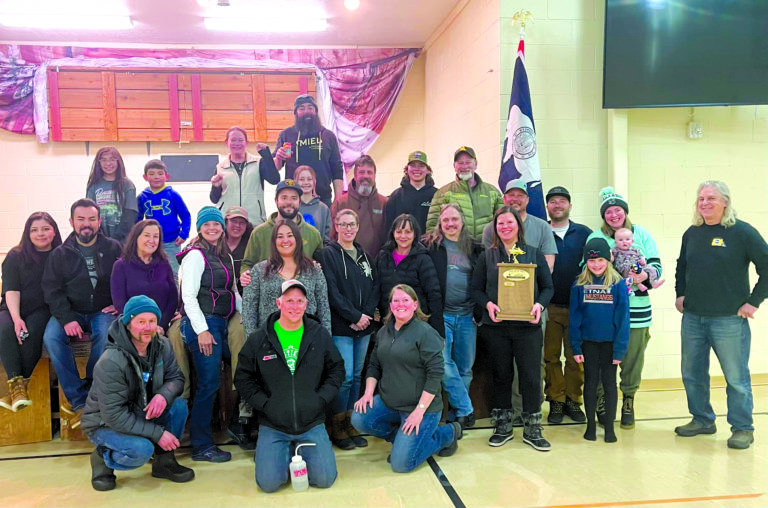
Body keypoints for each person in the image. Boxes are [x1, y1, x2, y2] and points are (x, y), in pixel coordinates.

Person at [674, 181, 768, 450]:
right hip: (693, 318)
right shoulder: (692, 233)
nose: (704, 203)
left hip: (729, 320)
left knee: (736, 378)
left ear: (725, 202)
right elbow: (681, 267)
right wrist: (681, 294)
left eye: (711, 198)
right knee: (692, 374)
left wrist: (753, 302)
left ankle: (742, 428)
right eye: (701, 198)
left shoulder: (742, 232)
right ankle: (702, 419)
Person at [234, 280, 344, 492]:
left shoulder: (319, 334)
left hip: (311, 422)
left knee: (325, 480)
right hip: (274, 425)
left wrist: (320, 399)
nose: (295, 306)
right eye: (289, 301)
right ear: (279, 303)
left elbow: (337, 369)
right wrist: (265, 405)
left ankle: (298, 451)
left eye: (300, 301)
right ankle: (276, 452)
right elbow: (243, 378)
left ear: (306, 305)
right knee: (269, 484)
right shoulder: (259, 339)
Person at [83, 296, 194, 491]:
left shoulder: (163, 345)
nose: (147, 327)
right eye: (141, 322)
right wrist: (158, 434)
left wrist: (163, 395)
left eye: (152, 321)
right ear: (128, 324)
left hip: (141, 410)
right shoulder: (111, 361)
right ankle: (103, 456)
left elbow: (176, 378)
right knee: (141, 450)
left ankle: (164, 462)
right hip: (105, 423)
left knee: (178, 406)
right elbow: (114, 416)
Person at [351, 284, 462, 473]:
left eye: (405, 300)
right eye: (396, 300)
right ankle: (404, 441)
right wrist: (368, 394)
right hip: (391, 404)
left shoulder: (425, 333)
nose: (400, 304)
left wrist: (419, 411)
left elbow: (435, 374)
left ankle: (446, 434)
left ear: (415, 305)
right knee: (360, 418)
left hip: (421, 408)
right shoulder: (384, 332)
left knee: (401, 464)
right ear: (390, 305)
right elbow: (374, 365)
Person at [471, 206, 553, 451]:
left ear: (518, 225)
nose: (505, 227)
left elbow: (548, 287)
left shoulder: (533, 253)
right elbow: (475, 290)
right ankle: (502, 425)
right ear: (495, 228)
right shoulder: (487, 256)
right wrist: (488, 305)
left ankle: (532, 427)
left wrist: (539, 305)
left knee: (530, 376)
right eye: (500, 223)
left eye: (509, 222)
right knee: (500, 375)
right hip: (496, 327)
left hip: (528, 327)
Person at [586, 187, 662, 429]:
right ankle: (602, 400)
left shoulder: (642, 235)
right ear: (603, 215)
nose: (614, 215)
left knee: (632, 360)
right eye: (608, 211)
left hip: (637, 311)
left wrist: (644, 277)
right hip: (604, 312)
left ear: (625, 211)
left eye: (618, 210)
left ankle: (628, 400)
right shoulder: (595, 237)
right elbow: (584, 270)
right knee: (603, 358)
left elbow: (656, 265)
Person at [42, 199, 122, 427]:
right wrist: (67, 319)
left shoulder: (114, 248)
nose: (86, 224)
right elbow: (51, 290)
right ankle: (78, 399)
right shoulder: (59, 254)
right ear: (71, 222)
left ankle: (92, 386)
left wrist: (120, 303)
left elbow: (125, 277)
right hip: (71, 311)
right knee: (51, 337)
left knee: (107, 334)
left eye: (91, 219)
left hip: (102, 310)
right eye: (81, 219)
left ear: (99, 221)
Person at [177, 206, 241, 463]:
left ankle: (237, 424)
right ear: (200, 229)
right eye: (207, 225)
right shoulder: (195, 255)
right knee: (208, 383)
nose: (212, 228)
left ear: (222, 228)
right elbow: (188, 296)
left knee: (241, 369)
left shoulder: (226, 256)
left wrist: (246, 315)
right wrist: (202, 330)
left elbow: (233, 292)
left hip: (223, 322)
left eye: (216, 224)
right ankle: (201, 445)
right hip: (203, 323)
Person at [319, 209, 379, 450]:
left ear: (357, 226)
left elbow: (375, 287)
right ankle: (337, 426)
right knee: (344, 378)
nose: (348, 229)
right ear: (336, 226)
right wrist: (354, 316)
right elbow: (331, 291)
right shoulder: (327, 254)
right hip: (342, 326)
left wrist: (366, 315)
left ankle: (351, 423)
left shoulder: (365, 256)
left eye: (352, 224)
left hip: (364, 326)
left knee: (356, 376)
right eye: (343, 224)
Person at [423, 203, 483, 429]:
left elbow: (482, 281)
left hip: (468, 316)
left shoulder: (475, 248)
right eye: (446, 220)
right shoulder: (430, 246)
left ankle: (459, 414)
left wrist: (480, 311)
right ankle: (466, 409)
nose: (450, 224)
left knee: (465, 367)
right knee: (444, 364)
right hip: (442, 316)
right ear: (440, 223)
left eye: (454, 219)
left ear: (462, 221)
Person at [569, 238, 630, 443]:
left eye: (600, 260)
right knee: (590, 383)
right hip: (588, 343)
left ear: (608, 260)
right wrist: (576, 346)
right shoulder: (579, 285)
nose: (596, 265)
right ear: (586, 261)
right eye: (592, 260)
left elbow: (623, 319)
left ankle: (610, 427)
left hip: (610, 344)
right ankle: (591, 426)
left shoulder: (617, 284)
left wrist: (620, 349)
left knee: (610, 384)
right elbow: (575, 318)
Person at [0, 212, 62, 412]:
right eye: (34, 230)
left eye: (45, 229)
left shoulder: (61, 256)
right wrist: (17, 318)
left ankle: (18, 388)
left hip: (41, 309)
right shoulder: (15, 255)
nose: (40, 234)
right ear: (27, 233)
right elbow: (11, 290)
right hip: (13, 307)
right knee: (5, 330)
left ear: (54, 231)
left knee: (32, 333)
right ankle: (17, 388)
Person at [544, 186, 591, 424]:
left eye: (562, 201)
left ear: (570, 206)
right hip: (549, 307)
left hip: (578, 309)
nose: (558, 205)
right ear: (547, 207)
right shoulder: (542, 231)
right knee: (550, 357)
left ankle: (573, 400)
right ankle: (556, 400)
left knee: (575, 358)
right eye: (553, 201)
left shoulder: (584, 233)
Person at [243, 220, 331, 338]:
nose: (285, 240)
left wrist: (325, 341)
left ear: (297, 239)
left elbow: (324, 308)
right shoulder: (259, 271)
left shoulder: (314, 270)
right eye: (280, 236)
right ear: (274, 241)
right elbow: (249, 312)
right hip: (269, 340)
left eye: (290, 235)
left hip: (307, 340)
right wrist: (254, 342)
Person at [376, 214, 444, 337]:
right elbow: (375, 288)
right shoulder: (383, 256)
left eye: (408, 232)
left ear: (415, 234)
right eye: (399, 232)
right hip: (388, 323)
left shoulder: (423, 259)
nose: (403, 236)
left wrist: (438, 332)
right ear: (393, 233)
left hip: (416, 324)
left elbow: (433, 295)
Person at [240, 180, 323, 279]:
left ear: (299, 202)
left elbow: (320, 266)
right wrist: (245, 274)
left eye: (294, 198)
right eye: (284, 198)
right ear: (276, 201)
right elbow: (247, 264)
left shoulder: (313, 234)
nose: (289, 202)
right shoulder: (259, 233)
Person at [274, 95, 344, 207]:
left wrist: (338, 198)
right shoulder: (286, 135)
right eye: (301, 108)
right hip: (293, 200)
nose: (306, 111)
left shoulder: (328, 136)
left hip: (323, 199)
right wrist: (278, 158)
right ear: (296, 113)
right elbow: (276, 168)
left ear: (316, 111)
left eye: (310, 108)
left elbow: (337, 168)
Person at [111, 220, 178, 334]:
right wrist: (140, 326)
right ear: (136, 238)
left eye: (156, 237)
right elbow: (120, 303)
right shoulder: (121, 266)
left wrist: (161, 325)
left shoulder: (164, 264)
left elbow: (173, 299)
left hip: (160, 328)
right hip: (132, 328)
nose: (151, 240)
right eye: (147, 235)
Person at [426, 146, 503, 242]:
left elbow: (503, 221)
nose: (464, 166)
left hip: (487, 247)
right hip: (456, 248)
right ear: (454, 166)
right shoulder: (443, 193)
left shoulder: (493, 192)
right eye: (460, 163)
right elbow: (432, 226)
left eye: (468, 162)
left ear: (475, 164)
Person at [209, 126, 280, 226]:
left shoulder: (258, 163)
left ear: (246, 143)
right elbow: (214, 199)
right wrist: (215, 187)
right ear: (226, 142)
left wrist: (267, 156)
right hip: (229, 222)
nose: (237, 143)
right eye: (233, 140)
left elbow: (274, 179)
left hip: (254, 221)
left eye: (240, 140)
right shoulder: (220, 167)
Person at [482, 180, 557, 273]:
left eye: (520, 196)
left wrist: (529, 279)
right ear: (504, 199)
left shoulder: (543, 227)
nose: (515, 199)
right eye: (511, 195)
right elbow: (487, 263)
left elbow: (549, 263)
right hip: (500, 280)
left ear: (527, 200)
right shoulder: (490, 229)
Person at [136, 159, 191, 280]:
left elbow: (185, 215)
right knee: (151, 273)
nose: (156, 177)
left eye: (160, 173)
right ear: (145, 177)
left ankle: (173, 293)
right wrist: (138, 238)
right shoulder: (142, 197)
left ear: (167, 176)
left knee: (171, 274)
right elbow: (138, 220)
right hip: (151, 242)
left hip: (172, 242)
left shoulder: (173, 195)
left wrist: (184, 234)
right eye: (152, 174)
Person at [330, 155, 388, 258]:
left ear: (374, 175)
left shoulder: (384, 203)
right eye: (361, 172)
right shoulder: (341, 203)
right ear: (355, 175)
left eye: (369, 172)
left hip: (377, 262)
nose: (366, 176)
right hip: (347, 261)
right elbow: (332, 236)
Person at [86, 146, 138, 243]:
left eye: (112, 159)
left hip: (122, 240)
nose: (108, 163)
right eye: (103, 160)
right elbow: (90, 213)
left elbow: (130, 215)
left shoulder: (127, 185)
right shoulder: (93, 186)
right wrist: (101, 236)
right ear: (98, 163)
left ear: (118, 162)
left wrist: (117, 238)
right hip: (100, 239)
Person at [385, 151, 437, 235]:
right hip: (403, 243)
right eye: (413, 165)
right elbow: (389, 227)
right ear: (406, 169)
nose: (417, 169)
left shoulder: (437, 195)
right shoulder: (396, 196)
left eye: (421, 166)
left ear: (428, 170)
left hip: (430, 243)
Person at [295, 165, 332, 244]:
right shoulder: (292, 207)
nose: (306, 182)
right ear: (296, 182)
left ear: (314, 182)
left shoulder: (323, 209)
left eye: (309, 179)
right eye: (301, 179)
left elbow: (327, 237)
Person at [224, 206, 254, 296]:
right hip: (219, 295)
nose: (237, 225)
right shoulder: (216, 243)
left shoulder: (251, 246)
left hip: (243, 295)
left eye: (242, 222)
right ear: (226, 222)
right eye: (234, 221)